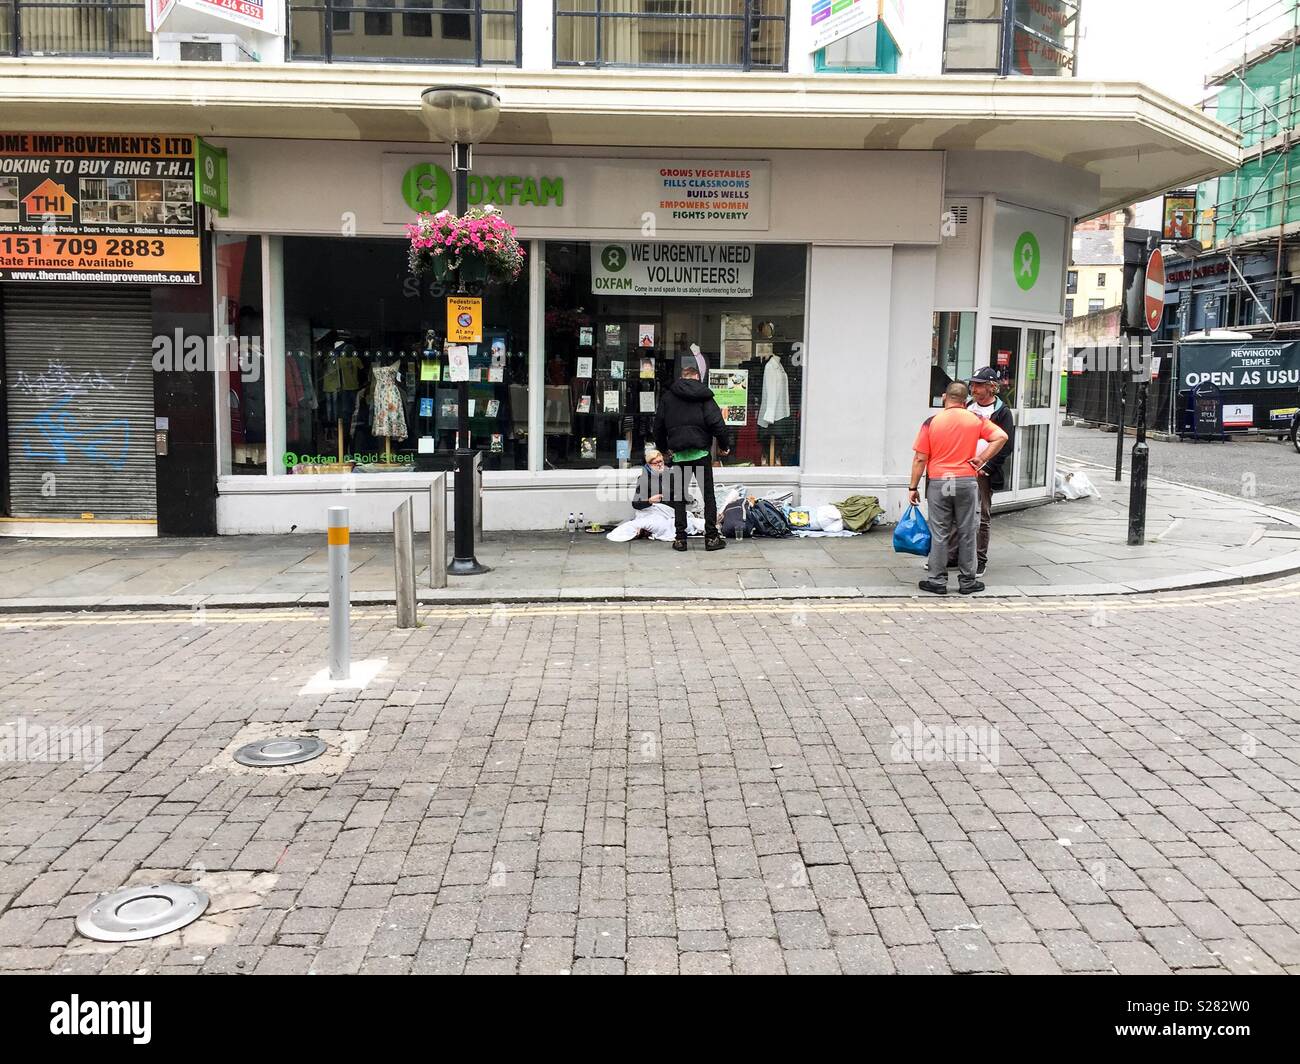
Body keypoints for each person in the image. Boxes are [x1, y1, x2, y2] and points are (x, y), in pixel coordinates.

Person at [909, 382, 1008, 595]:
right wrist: (981, 459)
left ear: (945, 397)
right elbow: (1001, 437)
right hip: (965, 481)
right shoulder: (976, 419)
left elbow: (919, 458)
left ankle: (936, 580)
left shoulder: (931, 422)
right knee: (967, 531)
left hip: (940, 482)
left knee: (940, 532)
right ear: (965, 401)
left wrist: (913, 487)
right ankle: (967, 581)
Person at [946, 366, 1015, 577]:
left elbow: (1007, 444)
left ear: (991, 387)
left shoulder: (1002, 412)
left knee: (981, 516)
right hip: (961, 468)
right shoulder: (966, 407)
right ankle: (951, 556)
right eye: (973, 384)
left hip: (984, 472)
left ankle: (979, 560)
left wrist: (988, 466)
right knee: (956, 512)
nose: (973, 388)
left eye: (978, 384)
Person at [655, 362, 730, 552]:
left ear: (682, 377)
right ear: (697, 378)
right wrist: (724, 445)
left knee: (679, 496)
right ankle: (711, 538)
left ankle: (680, 539)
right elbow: (717, 423)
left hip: (680, 455)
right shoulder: (704, 396)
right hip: (701, 453)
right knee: (708, 496)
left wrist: (664, 449)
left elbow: (658, 427)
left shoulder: (668, 397)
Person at [605, 450, 704, 542]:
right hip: (652, 513)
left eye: (660, 461)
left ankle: (649, 530)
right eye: (655, 463)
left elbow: (682, 496)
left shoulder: (672, 476)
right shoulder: (643, 479)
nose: (659, 465)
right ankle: (647, 529)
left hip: (670, 512)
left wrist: (686, 498)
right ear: (648, 465)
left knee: (685, 522)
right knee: (657, 524)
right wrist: (649, 501)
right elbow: (636, 503)